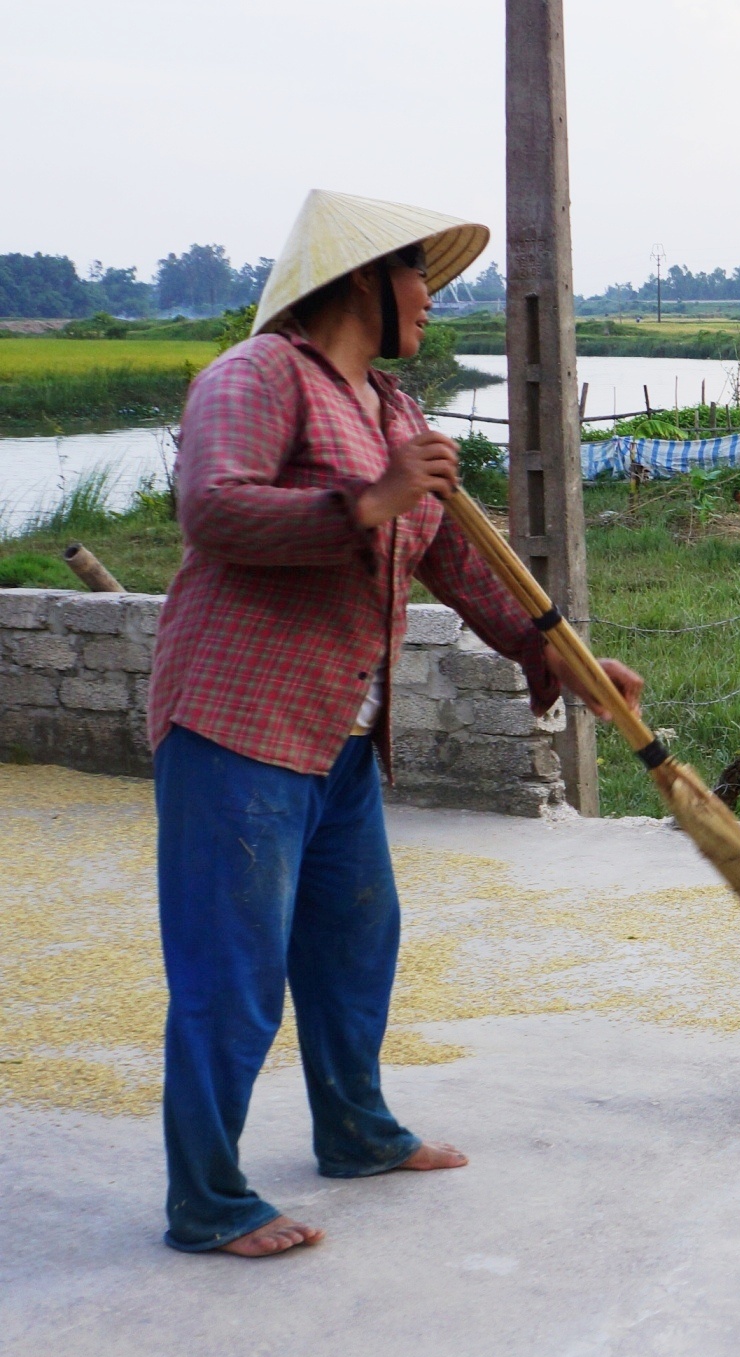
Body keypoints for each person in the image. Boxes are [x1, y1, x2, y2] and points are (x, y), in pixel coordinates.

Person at [149, 190, 643, 1256]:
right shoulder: (257, 376)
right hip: (237, 724)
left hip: (342, 733)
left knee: (355, 943)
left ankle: (357, 1130)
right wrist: (360, 504)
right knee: (232, 974)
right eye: (419, 276)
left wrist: (552, 650)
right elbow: (212, 506)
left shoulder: (395, 410)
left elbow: (461, 558)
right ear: (364, 280)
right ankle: (208, 1199)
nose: (432, 299)